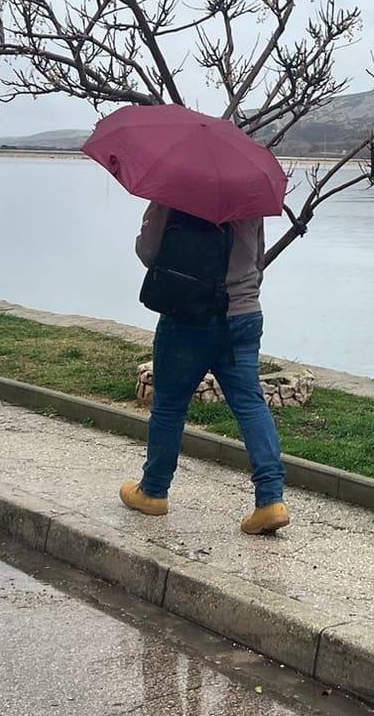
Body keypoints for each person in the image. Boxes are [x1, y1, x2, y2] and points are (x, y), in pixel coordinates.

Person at [119, 203, 290, 535]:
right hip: (243, 315)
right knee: (251, 404)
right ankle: (271, 500)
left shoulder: (176, 192)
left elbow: (149, 252)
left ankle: (153, 492)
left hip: (187, 317)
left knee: (169, 407)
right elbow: (257, 264)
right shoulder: (249, 198)